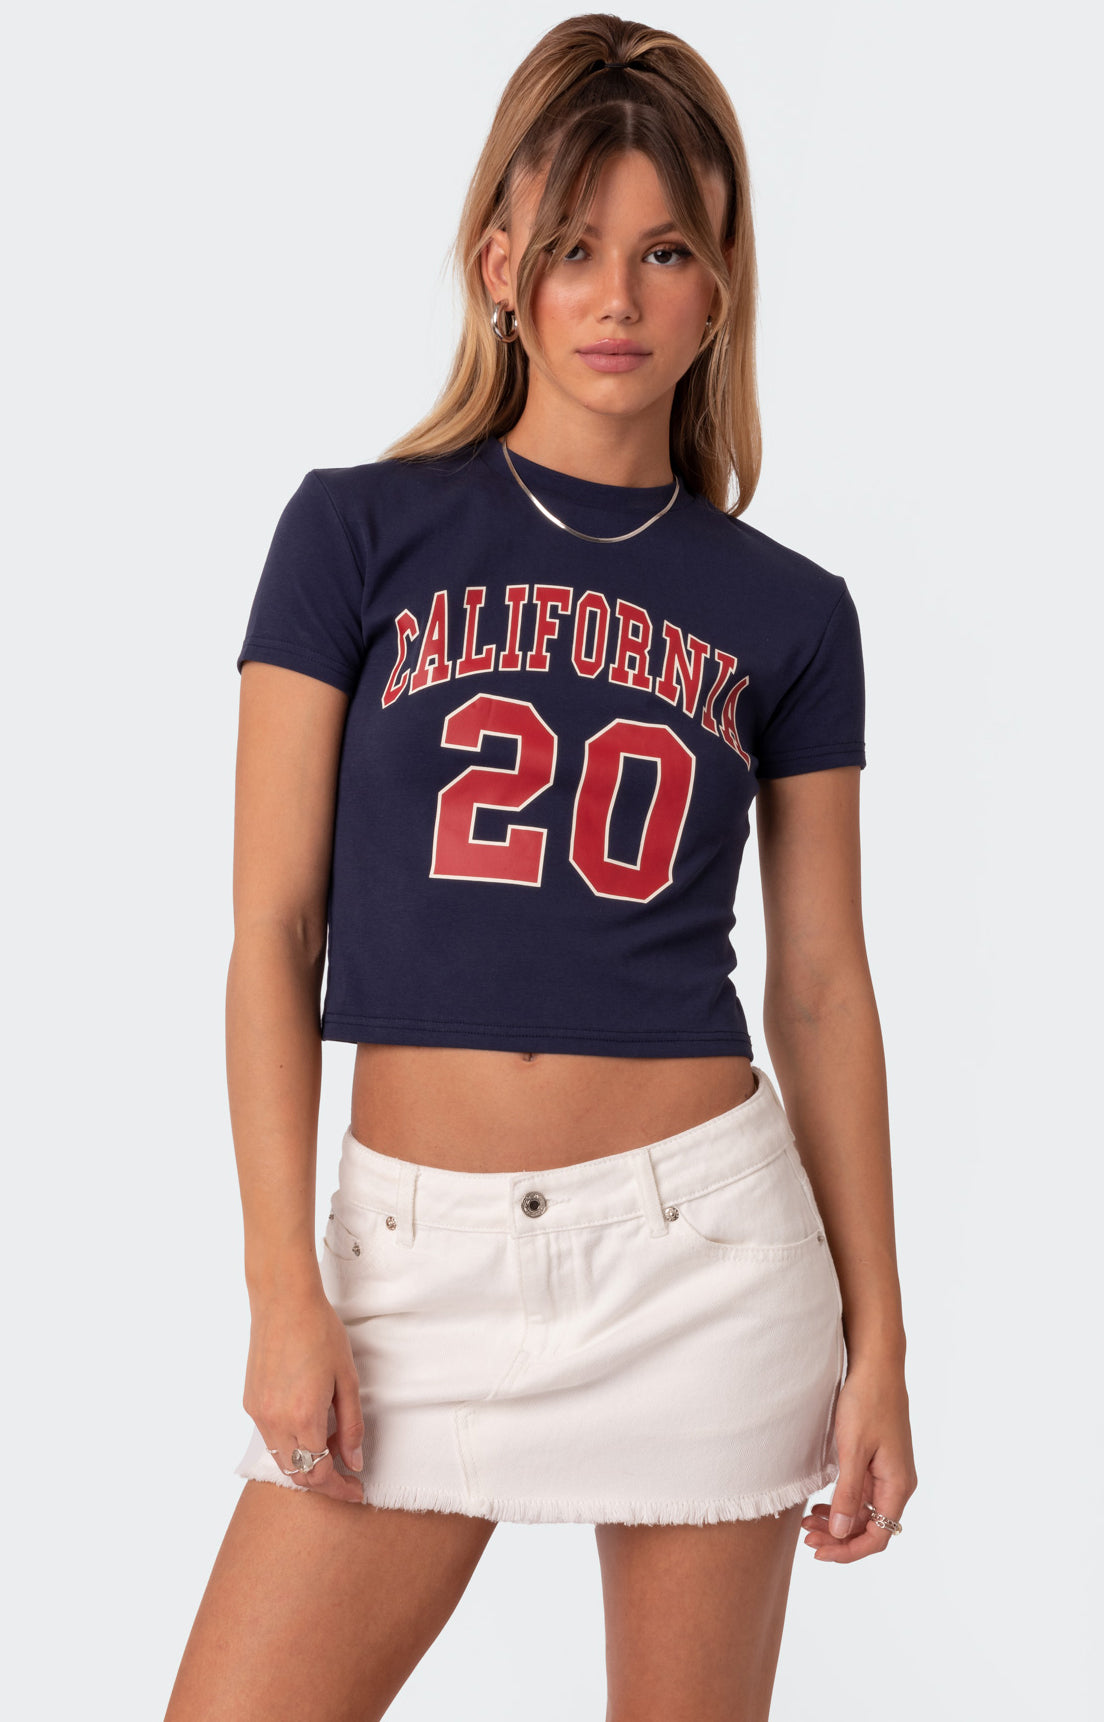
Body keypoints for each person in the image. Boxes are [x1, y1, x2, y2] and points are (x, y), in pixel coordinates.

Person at [165, 15, 916, 1721]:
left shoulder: (792, 613)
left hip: (703, 1259)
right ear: (500, 266)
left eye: (666, 251)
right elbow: (273, 928)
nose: (617, 297)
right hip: (408, 1264)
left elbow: (821, 986)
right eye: (575, 247)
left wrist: (881, 1339)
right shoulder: (352, 534)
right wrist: (284, 1286)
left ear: (721, 287)